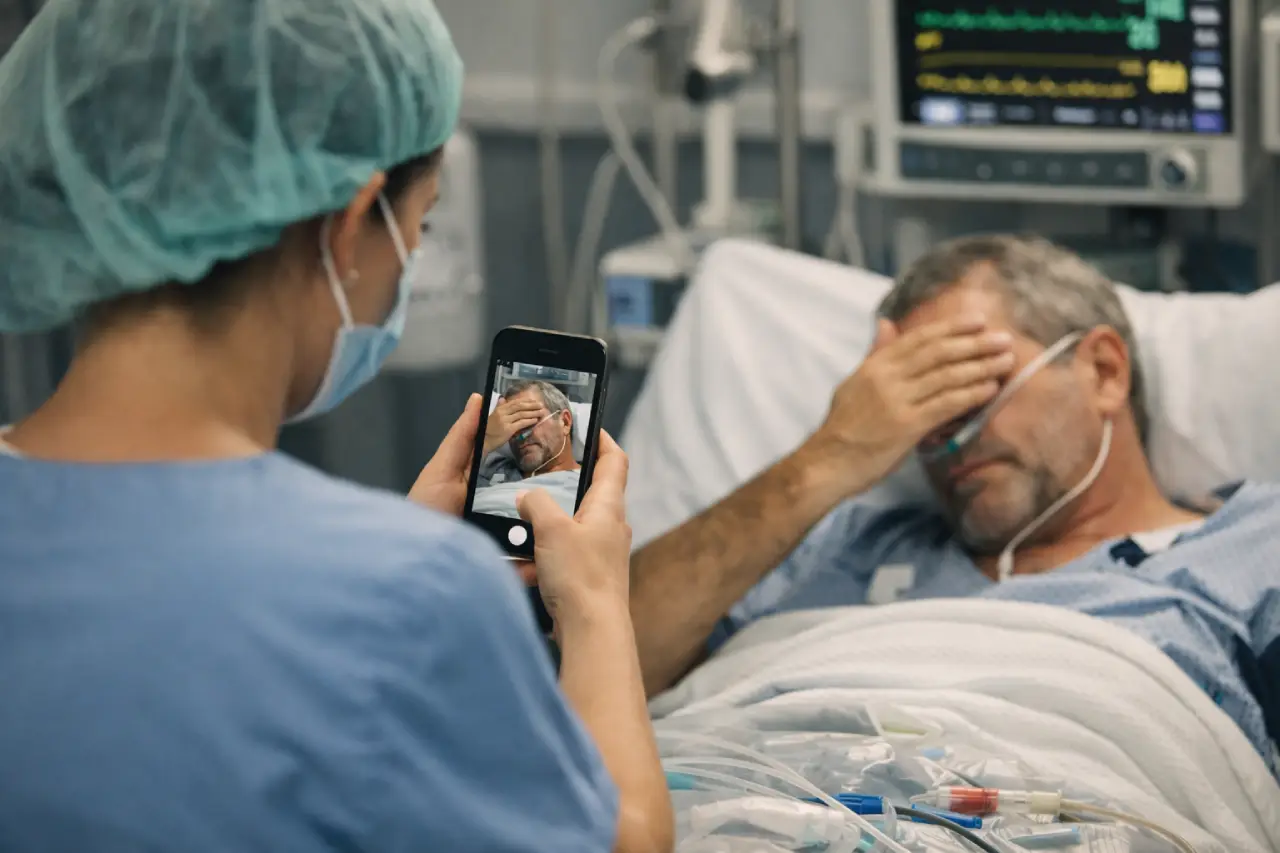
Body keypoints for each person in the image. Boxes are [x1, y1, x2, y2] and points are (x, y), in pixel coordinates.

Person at [0, 2, 672, 852]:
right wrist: (595, 602)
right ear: (350, 230)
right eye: (417, 227)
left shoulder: (391, 585)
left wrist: (377, 552)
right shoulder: (413, 592)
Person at [629, 234, 1280, 777]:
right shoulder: (843, 541)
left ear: (1103, 371)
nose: (941, 436)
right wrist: (824, 460)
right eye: (913, 402)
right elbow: (607, 663)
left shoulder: (1250, 547)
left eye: (964, 381)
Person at [475, 380, 582, 518]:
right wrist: (485, 439)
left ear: (565, 422)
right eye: (512, 424)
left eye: (529, 419)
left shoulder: (591, 487)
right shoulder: (489, 464)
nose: (520, 435)